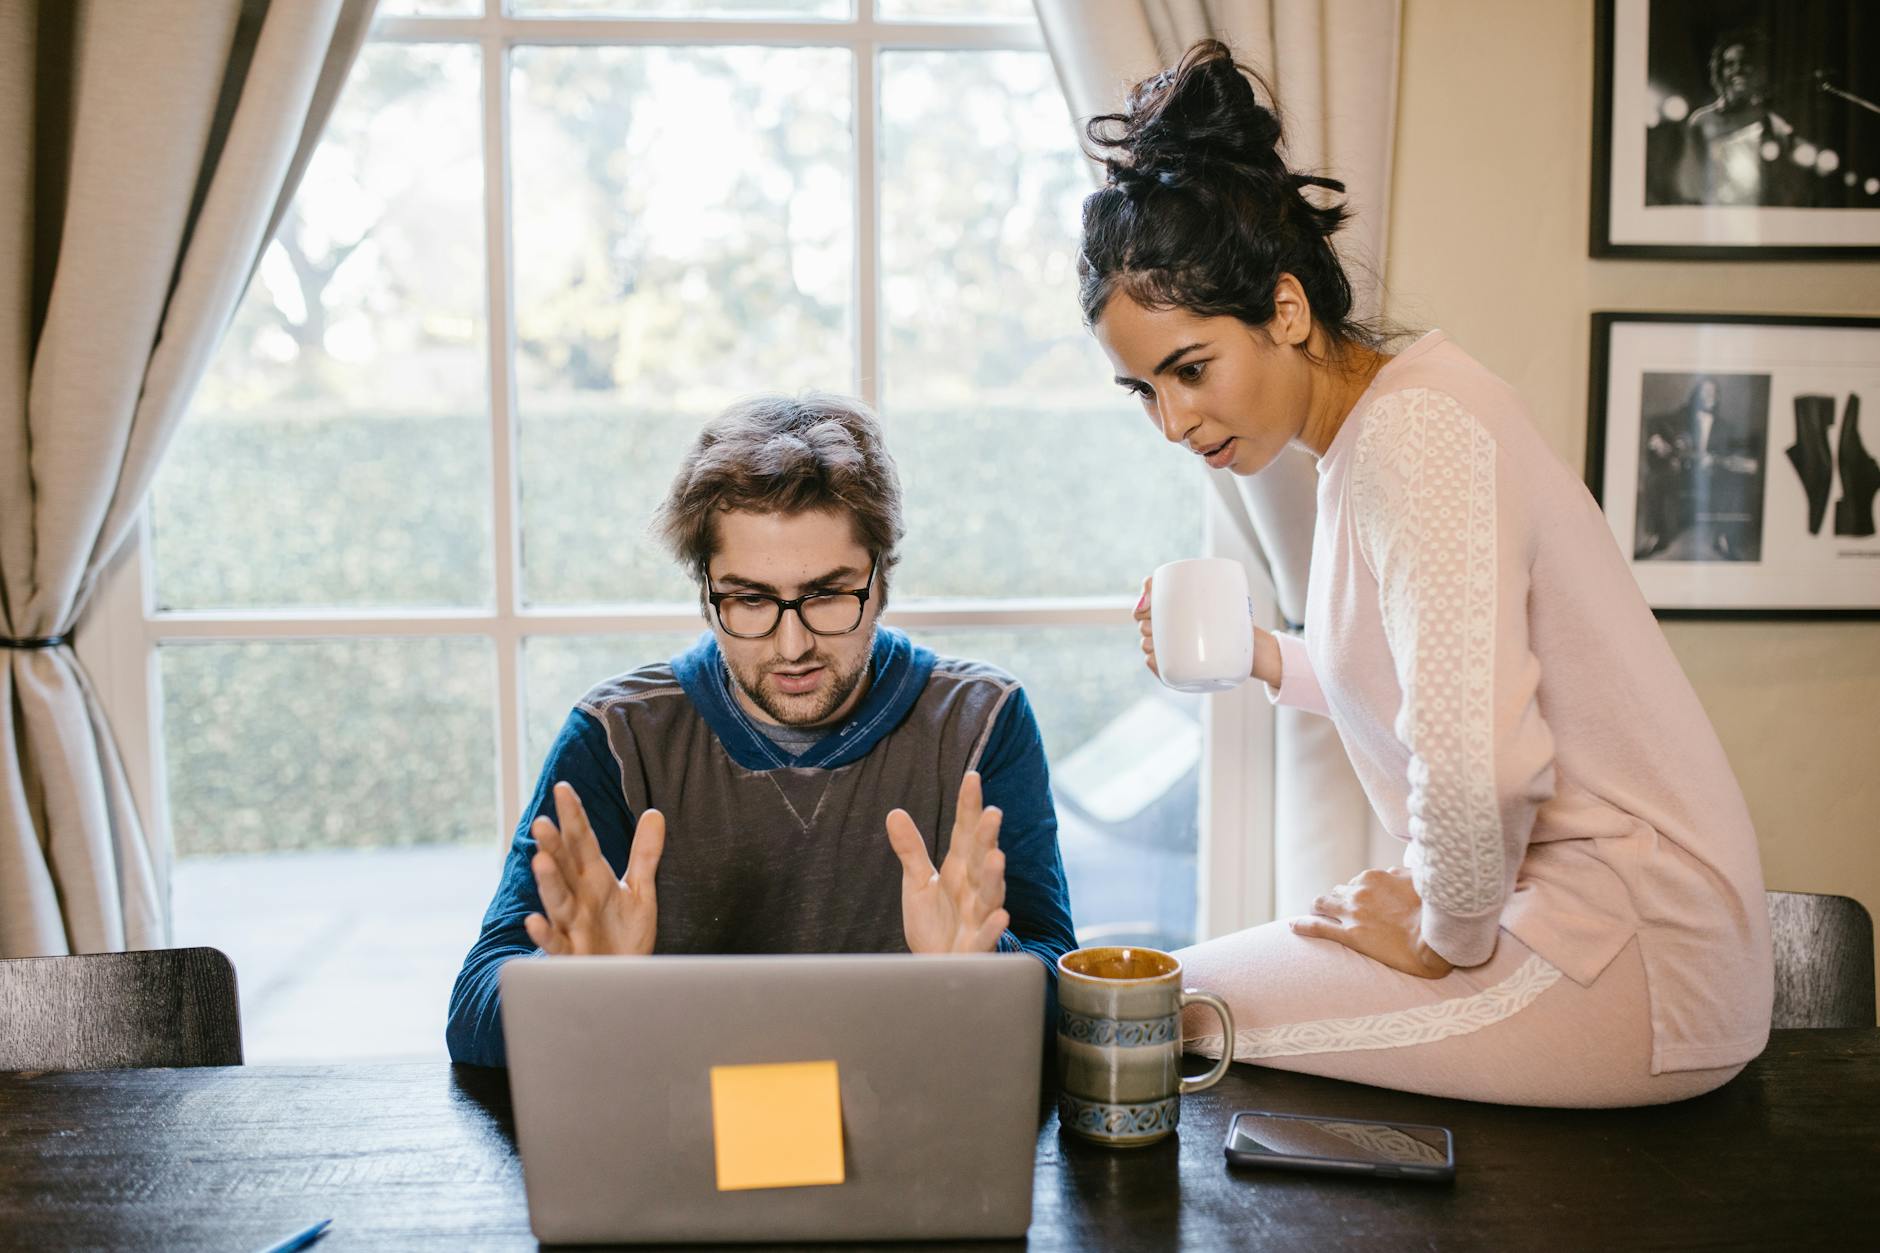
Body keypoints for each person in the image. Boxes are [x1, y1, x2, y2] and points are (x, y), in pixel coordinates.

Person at [1078, 41, 1770, 1107]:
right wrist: (1270, 660)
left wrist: (1440, 932)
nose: (1171, 421)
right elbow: (1424, 680)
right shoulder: (1386, 427)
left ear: (1287, 311)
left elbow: (1479, 760)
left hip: (1632, 960)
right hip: (1589, 930)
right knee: (1163, 1003)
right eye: (1143, 392)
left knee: (1150, 1013)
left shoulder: (1416, 439)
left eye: (1188, 369)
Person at [446, 393, 1077, 1067]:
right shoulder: (615, 737)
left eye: (828, 593)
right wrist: (576, 986)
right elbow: (472, 1010)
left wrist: (985, 965)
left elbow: (1068, 989)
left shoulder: (984, 722)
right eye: (749, 599)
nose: (793, 643)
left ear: (882, 580)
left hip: (912, 1135)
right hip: (679, 1141)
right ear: (705, 592)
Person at [1671, 29, 1805, 208]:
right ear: (1719, 71)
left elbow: (1786, 188)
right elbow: (1689, 184)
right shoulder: (1701, 121)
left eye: (1745, 63)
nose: (1737, 70)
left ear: (1758, 71)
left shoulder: (1772, 124)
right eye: (1729, 64)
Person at [1635, 376, 1761, 561]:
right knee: (1656, 479)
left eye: (1713, 393)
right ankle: (1657, 536)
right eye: (1704, 392)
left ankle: (1723, 538)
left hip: (1713, 474)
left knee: (1734, 483)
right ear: (1696, 395)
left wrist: (1716, 461)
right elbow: (1656, 421)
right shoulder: (1681, 417)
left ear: (1717, 397)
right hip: (1683, 472)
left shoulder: (1726, 427)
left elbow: (1734, 455)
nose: (1709, 396)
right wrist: (1656, 439)